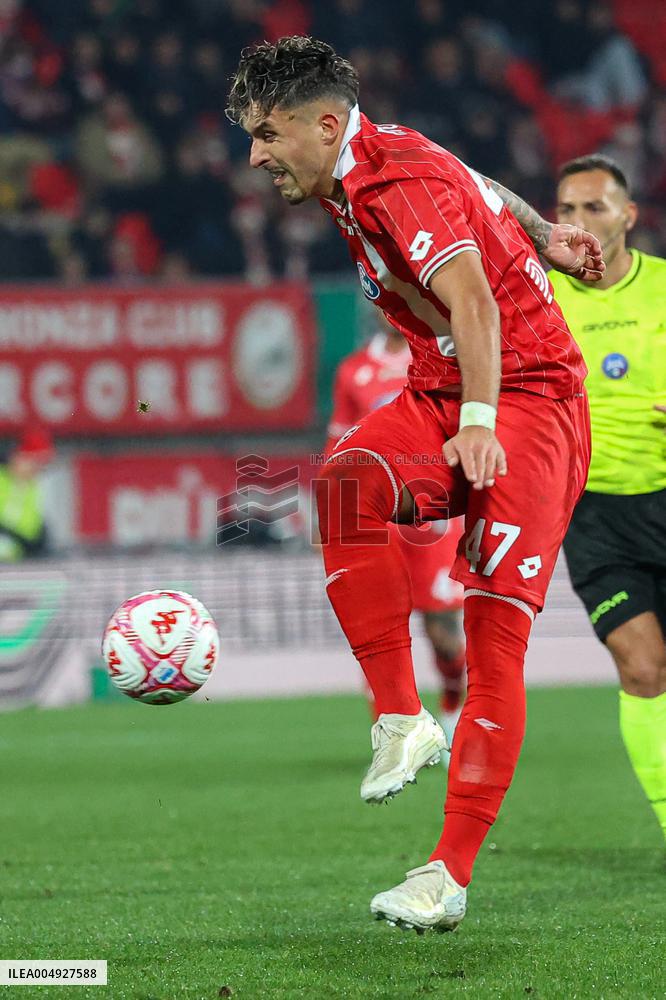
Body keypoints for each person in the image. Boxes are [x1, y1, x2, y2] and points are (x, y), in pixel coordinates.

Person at [227, 36, 603, 932]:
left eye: (267, 134)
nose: (254, 156)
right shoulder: (372, 158)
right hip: (443, 383)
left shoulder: (395, 182)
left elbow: (472, 300)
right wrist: (545, 234)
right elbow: (484, 185)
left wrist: (480, 427)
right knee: (344, 483)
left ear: (324, 125)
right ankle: (402, 719)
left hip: (530, 399)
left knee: (492, 634)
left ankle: (448, 872)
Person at [549, 154, 666, 845]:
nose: (578, 221)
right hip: (594, 514)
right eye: (565, 209)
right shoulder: (541, 300)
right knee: (644, 667)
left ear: (629, 216)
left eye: (594, 207)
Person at [327, 315, 466, 750]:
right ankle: (395, 737)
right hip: (375, 518)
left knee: (444, 634)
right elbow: (339, 444)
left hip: (431, 515)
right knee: (378, 626)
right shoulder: (353, 371)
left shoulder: (436, 357)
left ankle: (452, 707)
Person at [0, 428, 54, 562]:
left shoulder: (33, 489)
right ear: (18, 456)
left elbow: (32, 528)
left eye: (41, 465)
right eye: (33, 462)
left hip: (17, 563)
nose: (36, 469)